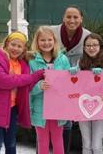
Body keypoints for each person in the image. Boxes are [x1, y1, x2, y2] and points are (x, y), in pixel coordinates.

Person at [0, 31, 44, 154]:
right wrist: (32, 77)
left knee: (11, 143)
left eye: (19, 46)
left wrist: (39, 78)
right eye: (13, 44)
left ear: (24, 49)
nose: (15, 48)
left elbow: (25, 86)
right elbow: (3, 81)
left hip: (12, 108)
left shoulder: (23, 65)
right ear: (6, 44)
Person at [51, 5, 91, 153]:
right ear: (63, 18)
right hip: (53, 81)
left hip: (74, 83)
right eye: (68, 16)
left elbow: (92, 57)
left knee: (66, 122)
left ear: (81, 19)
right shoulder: (52, 32)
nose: (72, 20)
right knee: (45, 122)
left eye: (75, 17)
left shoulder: (88, 35)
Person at [70, 33, 103, 154]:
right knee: (86, 144)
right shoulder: (80, 62)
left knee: (96, 145)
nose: (91, 48)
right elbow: (73, 85)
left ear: (100, 46)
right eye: (88, 45)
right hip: (82, 106)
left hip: (100, 107)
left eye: (94, 45)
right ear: (84, 48)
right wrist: (72, 73)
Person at [29, 25, 70, 154]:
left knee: (58, 140)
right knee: (42, 141)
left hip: (58, 107)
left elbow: (69, 82)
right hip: (39, 108)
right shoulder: (32, 61)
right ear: (37, 42)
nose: (46, 43)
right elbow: (27, 86)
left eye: (49, 40)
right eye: (42, 40)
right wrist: (39, 86)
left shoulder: (62, 59)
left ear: (54, 41)